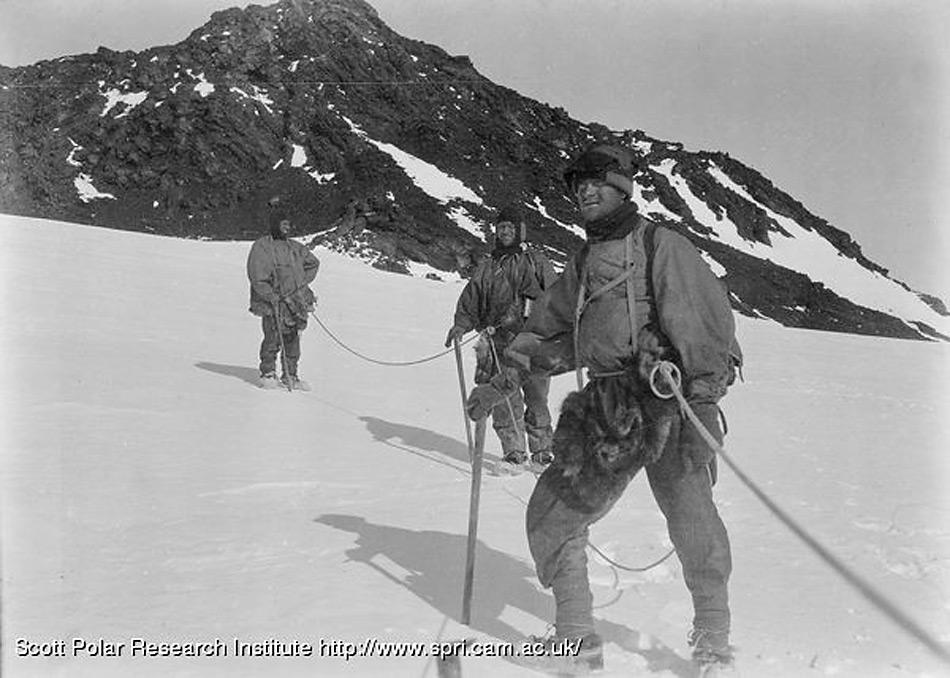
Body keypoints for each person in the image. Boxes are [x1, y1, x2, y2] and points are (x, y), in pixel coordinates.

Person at [467, 144, 741, 672]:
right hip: (608, 404)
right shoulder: (584, 261)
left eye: (595, 182)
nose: (584, 192)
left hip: (670, 399)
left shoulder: (662, 246)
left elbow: (704, 323)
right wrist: (502, 383)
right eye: (578, 184)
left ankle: (712, 640)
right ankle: (576, 637)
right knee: (552, 513)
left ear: (622, 188)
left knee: (693, 522)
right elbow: (546, 331)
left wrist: (703, 401)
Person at [445, 207, 557, 466]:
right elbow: (471, 300)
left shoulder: (536, 262)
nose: (505, 231)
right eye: (501, 227)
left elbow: (556, 295)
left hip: (534, 342)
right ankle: (514, 452)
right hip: (499, 343)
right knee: (505, 398)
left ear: (520, 231)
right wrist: (461, 325)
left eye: (510, 227)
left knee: (537, 397)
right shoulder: (487, 266)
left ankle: (542, 452)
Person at [247, 207, 320, 390]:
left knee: (293, 340)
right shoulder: (262, 246)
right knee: (272, 337)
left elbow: (313, 263)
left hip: (294, 302)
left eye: (289, 224)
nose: (287, 227)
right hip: (273, 301)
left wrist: (301, 284)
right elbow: (257, 276)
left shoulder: (294, 247)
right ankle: (268, 372)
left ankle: (291, 374)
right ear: (275, 225)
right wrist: (270, 294)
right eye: (284, 224)